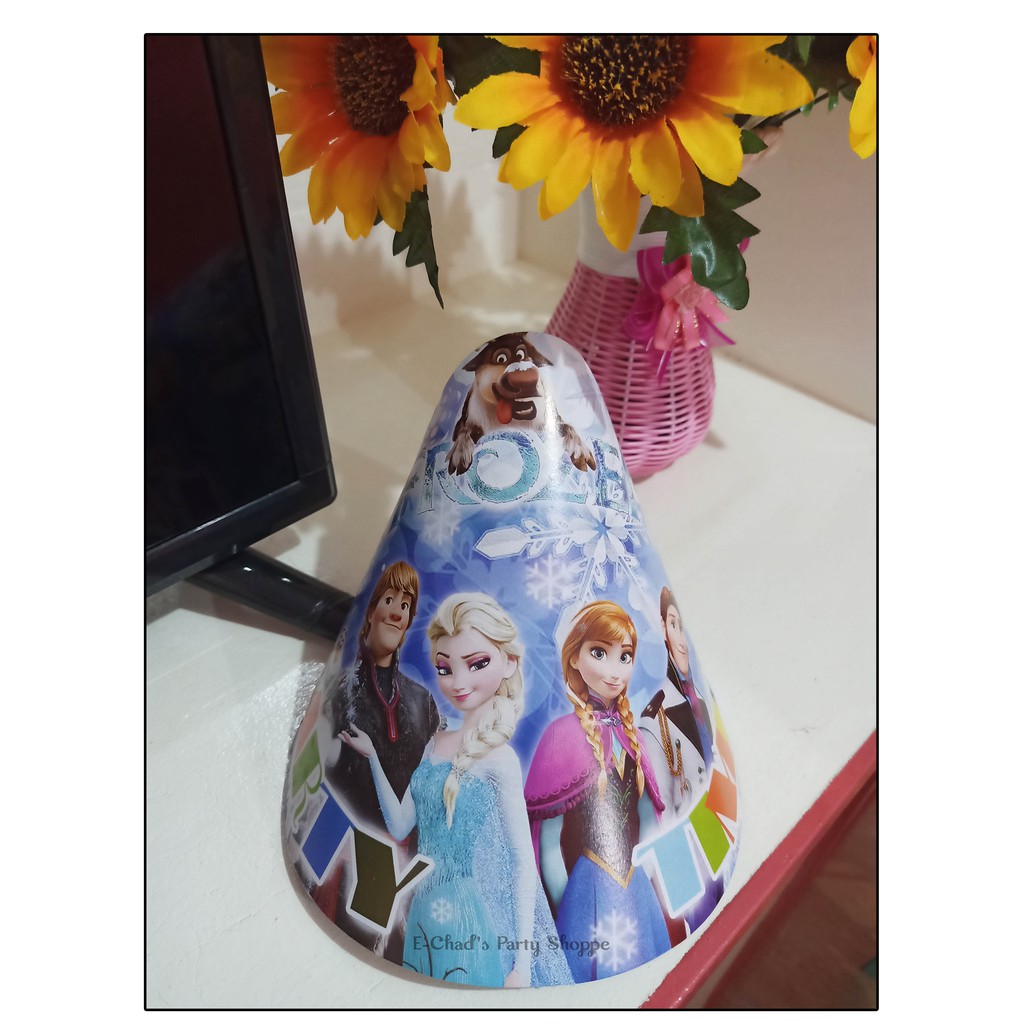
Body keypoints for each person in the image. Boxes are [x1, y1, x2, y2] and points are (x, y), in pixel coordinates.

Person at [342, 593, 573, 989]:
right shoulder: (435, 743)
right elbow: (400, 825)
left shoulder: (500, 759)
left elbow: (522, 863)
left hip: (468, 918)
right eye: (445, 669)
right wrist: (374, 758)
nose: (459, 682)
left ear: (509, 663)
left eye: (477, 664)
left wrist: (522, 964)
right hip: (422, 915)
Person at [525, 601, 670, 983]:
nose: (614, 670)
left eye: (625, 656)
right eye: (599, 653)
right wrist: (568, 906)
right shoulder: (560, 736)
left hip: (634, 884)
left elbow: (647, 815)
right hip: (585, 891)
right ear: (574, 658)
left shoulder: (633, 736)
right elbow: (548, 842)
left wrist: (645, 874)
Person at [322, 561, 441, 833]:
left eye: (405, 606)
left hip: (407, 849)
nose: (397, 613)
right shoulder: (342, 692)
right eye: (389, 600)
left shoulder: (423, 701)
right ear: (371, 612)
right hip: (345, 836)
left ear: (409, 621)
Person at [638, 587, 715, 819]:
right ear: (663, 630)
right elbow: (665, 812)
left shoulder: (702, 694)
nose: (681, 641)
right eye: (673, 625)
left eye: (682, 627)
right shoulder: (654, 720)